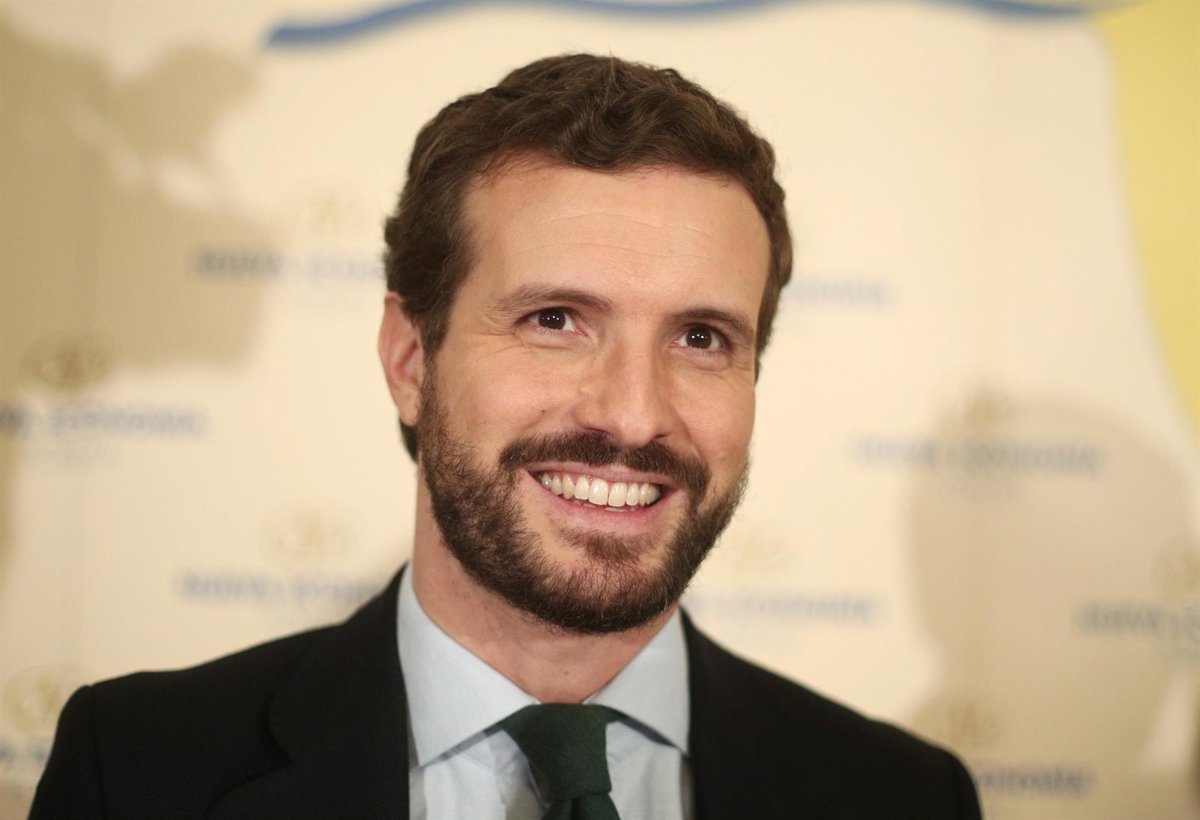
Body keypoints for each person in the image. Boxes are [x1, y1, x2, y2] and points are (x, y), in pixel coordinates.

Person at [31, 54, 981, 819]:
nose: (633, 415)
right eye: (554, 321)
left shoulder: (902, 798)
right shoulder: (140, 770)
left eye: (700, 338)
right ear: (411, 359)